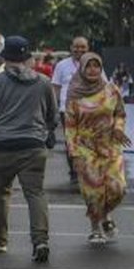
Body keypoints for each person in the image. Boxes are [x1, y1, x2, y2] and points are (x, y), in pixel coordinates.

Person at [0, 36, 58, 262]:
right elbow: (53, 116)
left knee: (1, 192)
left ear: (3, 57)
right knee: (35, 193)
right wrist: (46, 130)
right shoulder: (43, 82)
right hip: (33, 146)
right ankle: (40, 240)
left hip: (2, 146)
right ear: (28, 57)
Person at [64, 52, 129, 245]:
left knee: (118, 188)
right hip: (86, 148)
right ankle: (95, 229)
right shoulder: (74, 95)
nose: (93, 70)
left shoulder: (111, 90)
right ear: (82, 69)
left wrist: (118, 129)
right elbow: (70, 127)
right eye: (89, 66)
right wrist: (74, 154)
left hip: (110, 146)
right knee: (93, 192)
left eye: (96, 66)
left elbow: (120, 113)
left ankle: (106, 215)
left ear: (101, 69)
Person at [52, 37, 105, 185]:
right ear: (71, 48)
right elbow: (56, 87)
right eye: (76, 47)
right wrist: (53, 108)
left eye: (82, 47)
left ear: (88, 48)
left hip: (90, 111)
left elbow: (104, 86)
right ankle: (75, 173)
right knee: (72, 142)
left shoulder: (95, 64)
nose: (79, 50)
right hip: (67, 111)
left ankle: (89, 171)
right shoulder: (61, 65)